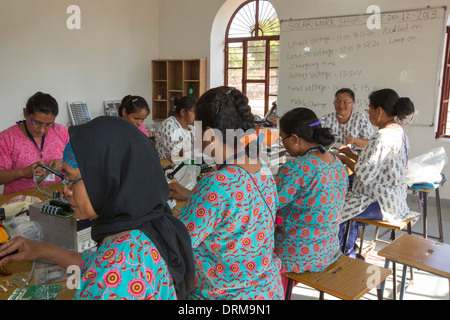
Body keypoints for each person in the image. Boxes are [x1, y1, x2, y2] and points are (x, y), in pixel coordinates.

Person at [0, 116, 195, 300]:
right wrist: (40, 249)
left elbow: (107, 270)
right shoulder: (148, 225)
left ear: (106, 179)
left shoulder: (113, 276)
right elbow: (95, 262)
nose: (66, 190)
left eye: (70, 179)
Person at [169, 86, 284, 300]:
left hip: (224, 296)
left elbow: (179, 243)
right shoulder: (262, 168)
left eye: (196, 130)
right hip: (267, 290)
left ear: (210, 134)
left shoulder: (217, 183)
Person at [274, 107, 348, 298]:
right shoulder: (336, 162)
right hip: (328, 249)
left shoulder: (298, 167)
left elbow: (270, 203)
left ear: (295, 139)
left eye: (282, 138)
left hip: (296, 254)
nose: (283, 144)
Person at [337, 88, 418, 258]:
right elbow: (376, 164)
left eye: (370, 109)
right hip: (394, 197)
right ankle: (349, 247)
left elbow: (364, 174)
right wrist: (351, 154)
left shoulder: (382, 136)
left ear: (379, 111)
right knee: (345, 191)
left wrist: (344, 160)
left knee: (335, 208)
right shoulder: (398, 131)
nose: (368, 113)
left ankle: (345, 255)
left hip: (381, 202)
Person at [0, 92, 69, 195]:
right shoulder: (7, 138)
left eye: (48, 124)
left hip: (58, 196)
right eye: (37, 123)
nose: (41, 130)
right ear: (25, 113)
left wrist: (63, 164)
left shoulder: (61, 132)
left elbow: (80, 162)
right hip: (21, 202)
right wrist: (23, 172)